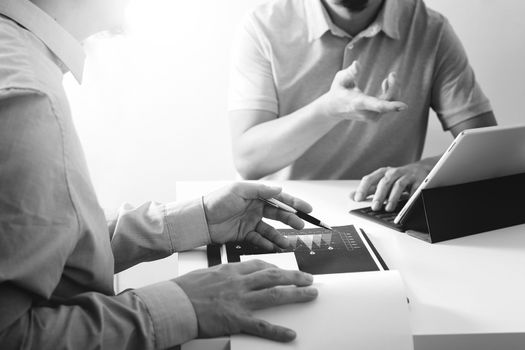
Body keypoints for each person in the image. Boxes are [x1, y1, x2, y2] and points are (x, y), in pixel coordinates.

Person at [0, 0, 319, 349]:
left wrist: (197, 219)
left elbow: (57, 247)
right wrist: (185, 304)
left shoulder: (21, 65)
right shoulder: (26, 98)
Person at [228, 0, 497, 211]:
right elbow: (249, 161)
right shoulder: (264, 25)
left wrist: (425, 170)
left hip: (383, 209)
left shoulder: (430, 28)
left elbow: (486, 149)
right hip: (285, 209)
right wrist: (328, 110)